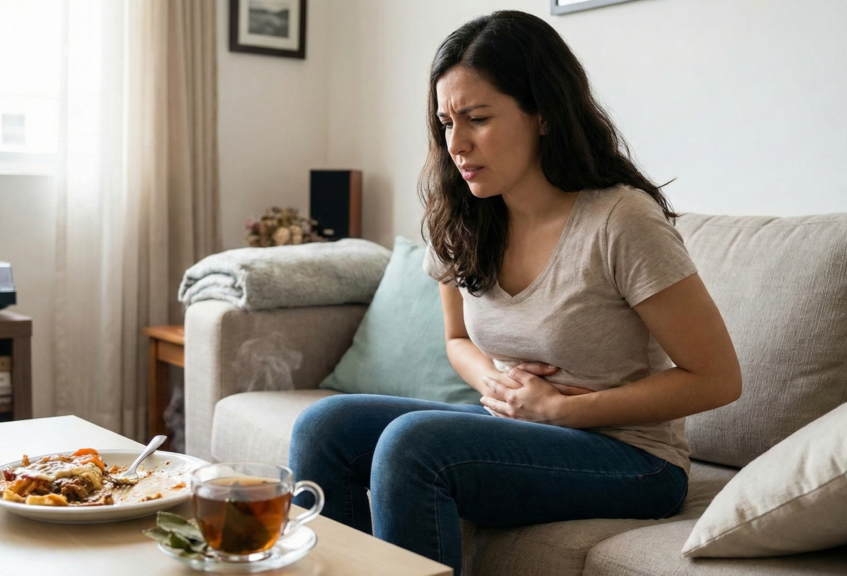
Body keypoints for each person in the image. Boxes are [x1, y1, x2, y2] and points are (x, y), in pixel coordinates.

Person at [288, 10, 741, 576]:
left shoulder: (620, 221)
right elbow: (457, 339)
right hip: (516, 427)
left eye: (477, 119)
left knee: (412, 444)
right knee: (324, 428)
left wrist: (560, 409)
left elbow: (718, 377)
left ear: (543, 113)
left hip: (633, 458)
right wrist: (498, 387)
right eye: (446, 123)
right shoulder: (462, 217)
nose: (456, 144)